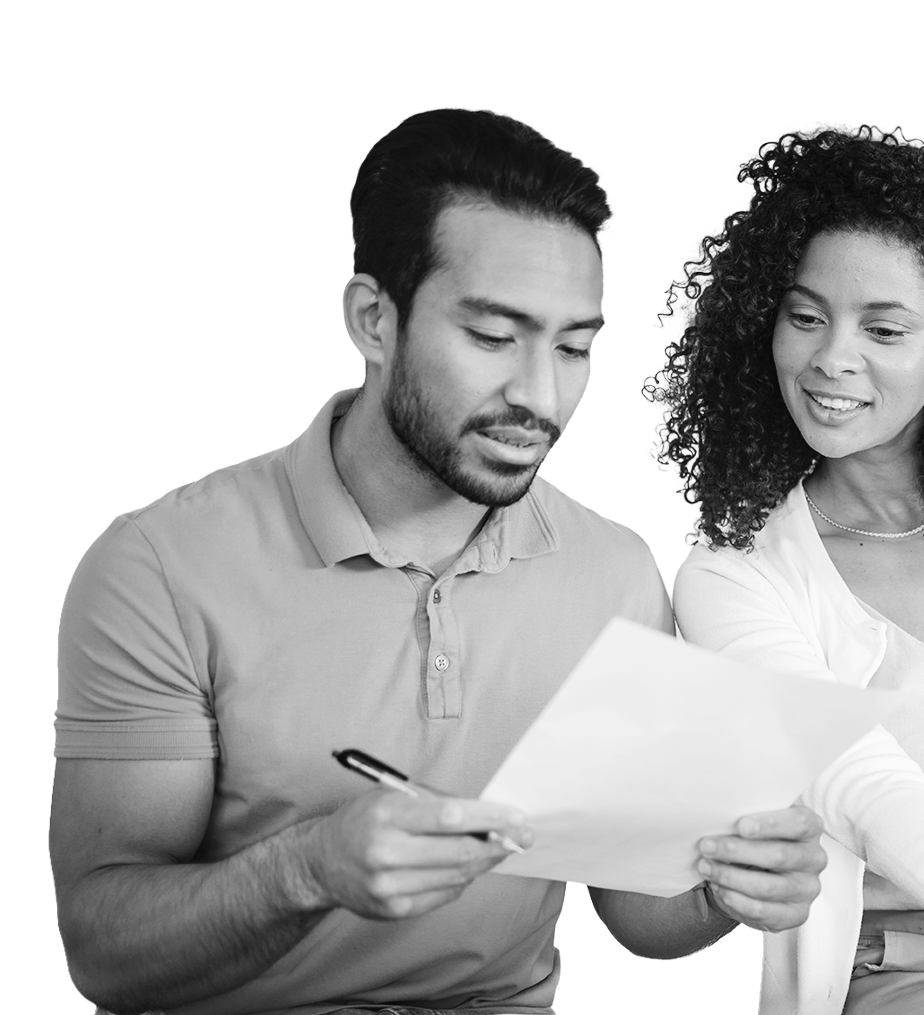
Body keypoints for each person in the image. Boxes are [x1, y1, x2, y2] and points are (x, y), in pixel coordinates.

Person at [51, 108, 826, 1015]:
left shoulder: (612, 572)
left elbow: (633, 907)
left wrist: (724, 888)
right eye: (494, 338)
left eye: (573, 346)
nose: (541, 394)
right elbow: (103, 953)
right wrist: (306, 869)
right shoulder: (157, 565)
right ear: (373, 319)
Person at [646, 124, 924, 1015]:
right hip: (885, 974)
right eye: (805, 317)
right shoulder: (734, 576)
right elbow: (854, 778)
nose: (830, 357)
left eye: (884, 328)